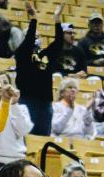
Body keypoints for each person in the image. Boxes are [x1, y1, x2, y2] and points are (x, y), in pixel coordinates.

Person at [13, 2, 64, 137]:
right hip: (27, 101)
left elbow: (59, 43)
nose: (36, 39)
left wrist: (57, 19)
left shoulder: (45, 55)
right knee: (28, 138)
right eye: (33, 37)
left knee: (42, 140)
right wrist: (34, 19)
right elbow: (29, 41)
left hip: (46, 103)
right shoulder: (22, 53)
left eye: (38, 37)